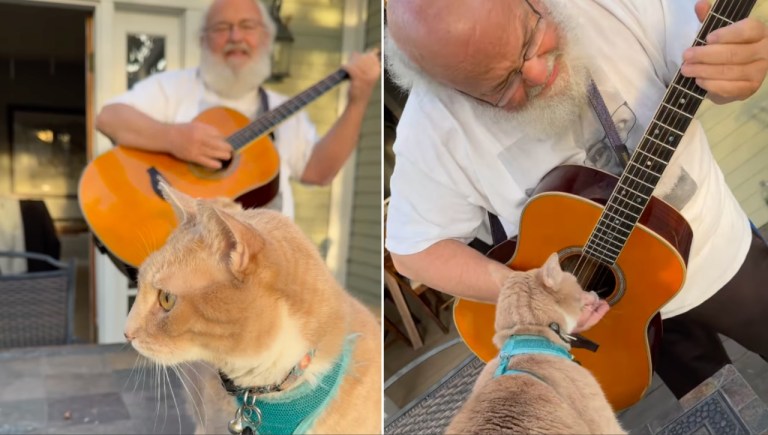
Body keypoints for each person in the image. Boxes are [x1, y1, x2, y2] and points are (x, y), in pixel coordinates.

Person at [385, 0, 768, 400]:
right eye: (501, 85)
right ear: (446, 85)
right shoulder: (430, 127)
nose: (536, 71)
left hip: (721, 255)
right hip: (619, 315)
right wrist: (525, 290)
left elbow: (708, 58)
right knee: (715, 405)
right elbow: (414, 253)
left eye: (531, 35)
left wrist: (735, 71)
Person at [96, 0, 381, 219]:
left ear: (266, 40)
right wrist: (172, 138)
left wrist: (358, 99)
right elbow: (108, 118)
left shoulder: (281, 109)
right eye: (222, 27)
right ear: (202, 40)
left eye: (248, 26)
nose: (235, 36)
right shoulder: (172, 88)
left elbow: (318, 172)